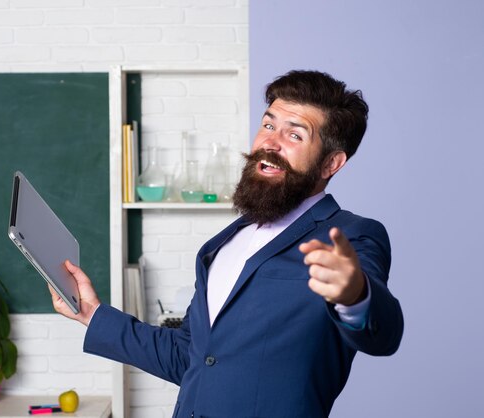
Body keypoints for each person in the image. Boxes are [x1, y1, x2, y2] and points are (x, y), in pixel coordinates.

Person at [49, 70, 404, 418]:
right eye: (268, 125)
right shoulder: (226, 242)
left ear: (331, 162)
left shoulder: (352, 236)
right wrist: (91, 314)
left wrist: (355, 295)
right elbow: (190, 356)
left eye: (294, 136)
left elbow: (383, 334)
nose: (270, 142)